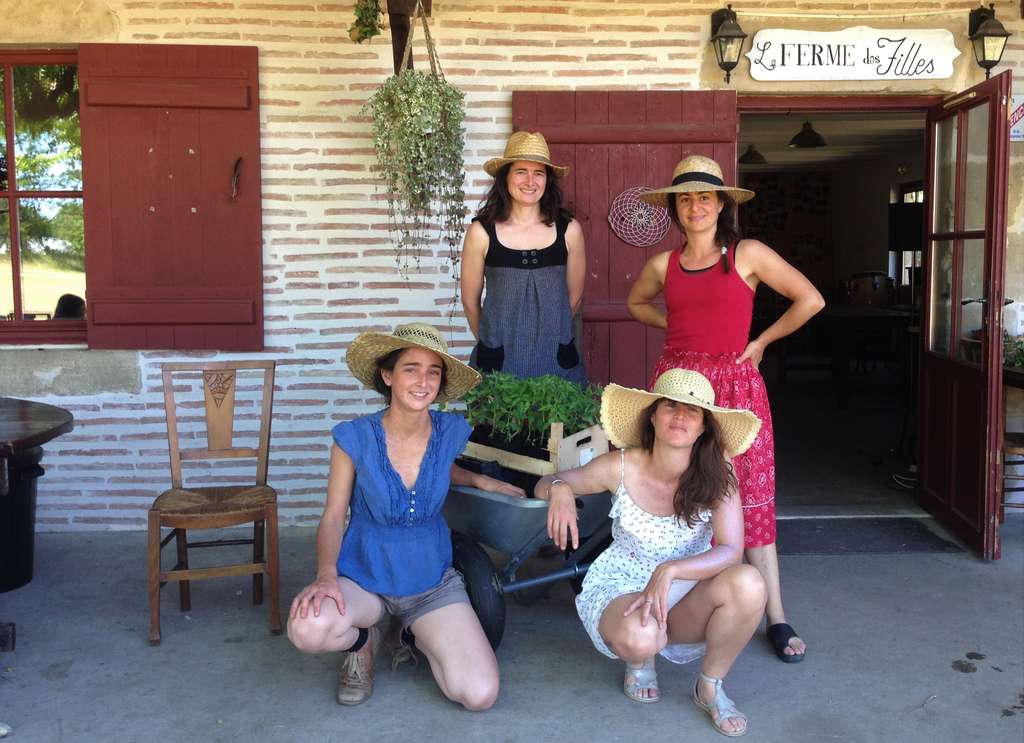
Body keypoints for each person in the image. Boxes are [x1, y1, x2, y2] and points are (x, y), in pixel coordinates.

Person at [626, 155, 825, 663]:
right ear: (676, 207)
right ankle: (678, 600)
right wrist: (676, 334)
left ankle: (775, 614)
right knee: (678, 495)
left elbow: (810, 299)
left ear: (721, 205)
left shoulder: (747, 254)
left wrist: (761, 342)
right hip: (678, 388)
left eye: (705, 196)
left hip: (736, 393)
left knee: (751, 501)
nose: (696, 206)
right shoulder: (661, 265)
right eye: (686, 197)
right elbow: (637, 304)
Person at [287, 323, 525, 709]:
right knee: (307, 630)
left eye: (433, 371)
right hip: (365, 575)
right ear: (387, 375)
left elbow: (436, 467)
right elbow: (333, 515)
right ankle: (364, 642)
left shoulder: (449, 431)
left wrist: (482, 482)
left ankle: (413, 633)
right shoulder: (355, 438)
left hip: (430, 579)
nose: (423, 381)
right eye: (410, 368)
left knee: (480, 694)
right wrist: (326, 575)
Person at [536, 369, 766, 736]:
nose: (679, 416)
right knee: (641, 638)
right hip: (622, 584)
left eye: (691, 411)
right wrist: (562, 487)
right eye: (670, 406)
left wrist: (671, 570)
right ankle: (641, 660)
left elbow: (731, 550)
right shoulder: (621, 465)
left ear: (704, 426)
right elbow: (544, 483)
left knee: (750, 583)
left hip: (685, 587)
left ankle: (710, 685)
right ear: (654, 416)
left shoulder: (717, 477)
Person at [461, 130, 587, 383]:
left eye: (538, 173)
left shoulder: (569, 230)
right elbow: (470, 302)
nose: (530, 181)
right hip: (499, 362)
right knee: (498, 422)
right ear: (505, 177)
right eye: (521, 171)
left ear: (547, 180)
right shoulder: (481, 232)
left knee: (559, 423)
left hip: (557, 360)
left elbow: (574, 298)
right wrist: (492, 341)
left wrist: (549, 333)